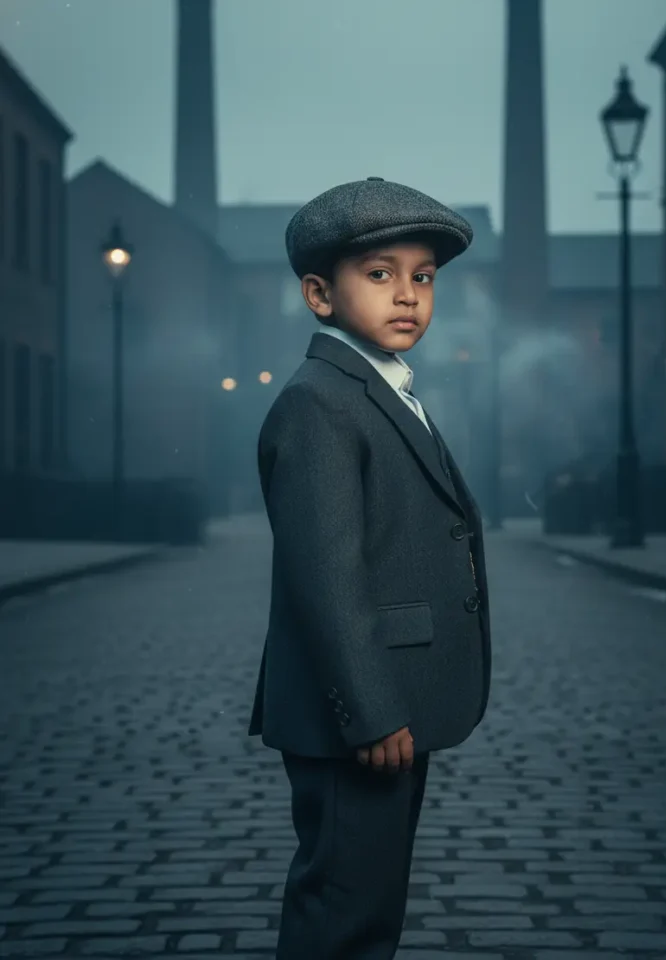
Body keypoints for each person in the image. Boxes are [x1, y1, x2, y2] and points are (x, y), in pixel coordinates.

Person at [248, 176, 492, 959]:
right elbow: (325, 576)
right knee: (344, 910)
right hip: (357, 715)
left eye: (422, 277)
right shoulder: (320, 403)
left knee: (370, 901)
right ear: (319, 295)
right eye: (380, 274)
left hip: (388, 704)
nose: (407, 296)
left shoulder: (381, 391)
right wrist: (371, 707)